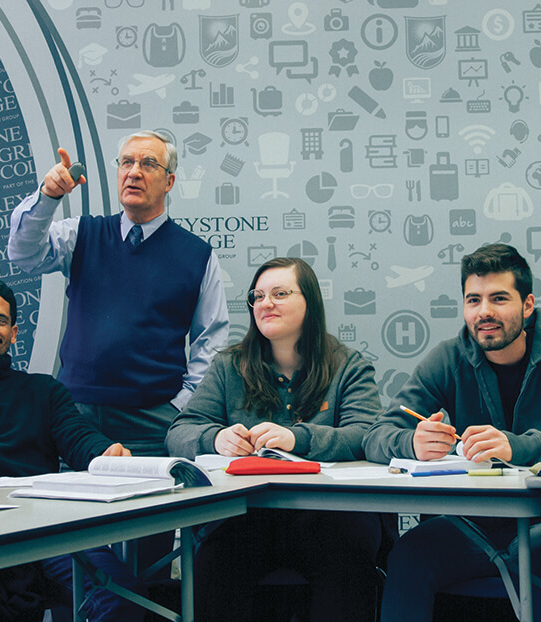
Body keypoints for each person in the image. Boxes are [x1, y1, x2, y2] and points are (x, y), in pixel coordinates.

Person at [363, 243, 541, 621]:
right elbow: (377, 434)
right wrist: (412, 442)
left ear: (527, 305)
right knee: (408, 555)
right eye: (473, 300)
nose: (484, 312)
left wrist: (517, 446)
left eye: (499, 298)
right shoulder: (447, 357)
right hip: (466, 522)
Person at [166, 257, 387, 621]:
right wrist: (216, 438)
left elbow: (366, 434)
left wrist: (297, 437)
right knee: (216, 562)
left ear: (310, 302)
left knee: (347, 557)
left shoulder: (348, 365)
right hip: (247, 516)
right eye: (258, 295)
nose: (265, 303)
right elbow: (180, 433)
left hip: (330, 515)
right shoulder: (229, 366)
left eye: (280, 293)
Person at [0, 279, 141, 622]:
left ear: (13, 333)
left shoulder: (44, 390)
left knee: (121, 597)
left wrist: (104, 453)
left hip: (47, 534)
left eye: (1, 320)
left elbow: (78, 436)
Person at [7, 130, 228, 457]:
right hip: (78, 417)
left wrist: (180, 407)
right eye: (126, 162)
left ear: (169, 182)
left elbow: (212, 340)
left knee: (155, 507)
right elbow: (23, 254)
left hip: (154, 421)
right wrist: (47, 197)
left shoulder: (197, 255)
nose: (134, 172)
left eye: (148, 164)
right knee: (78, 509)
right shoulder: (82, 234)